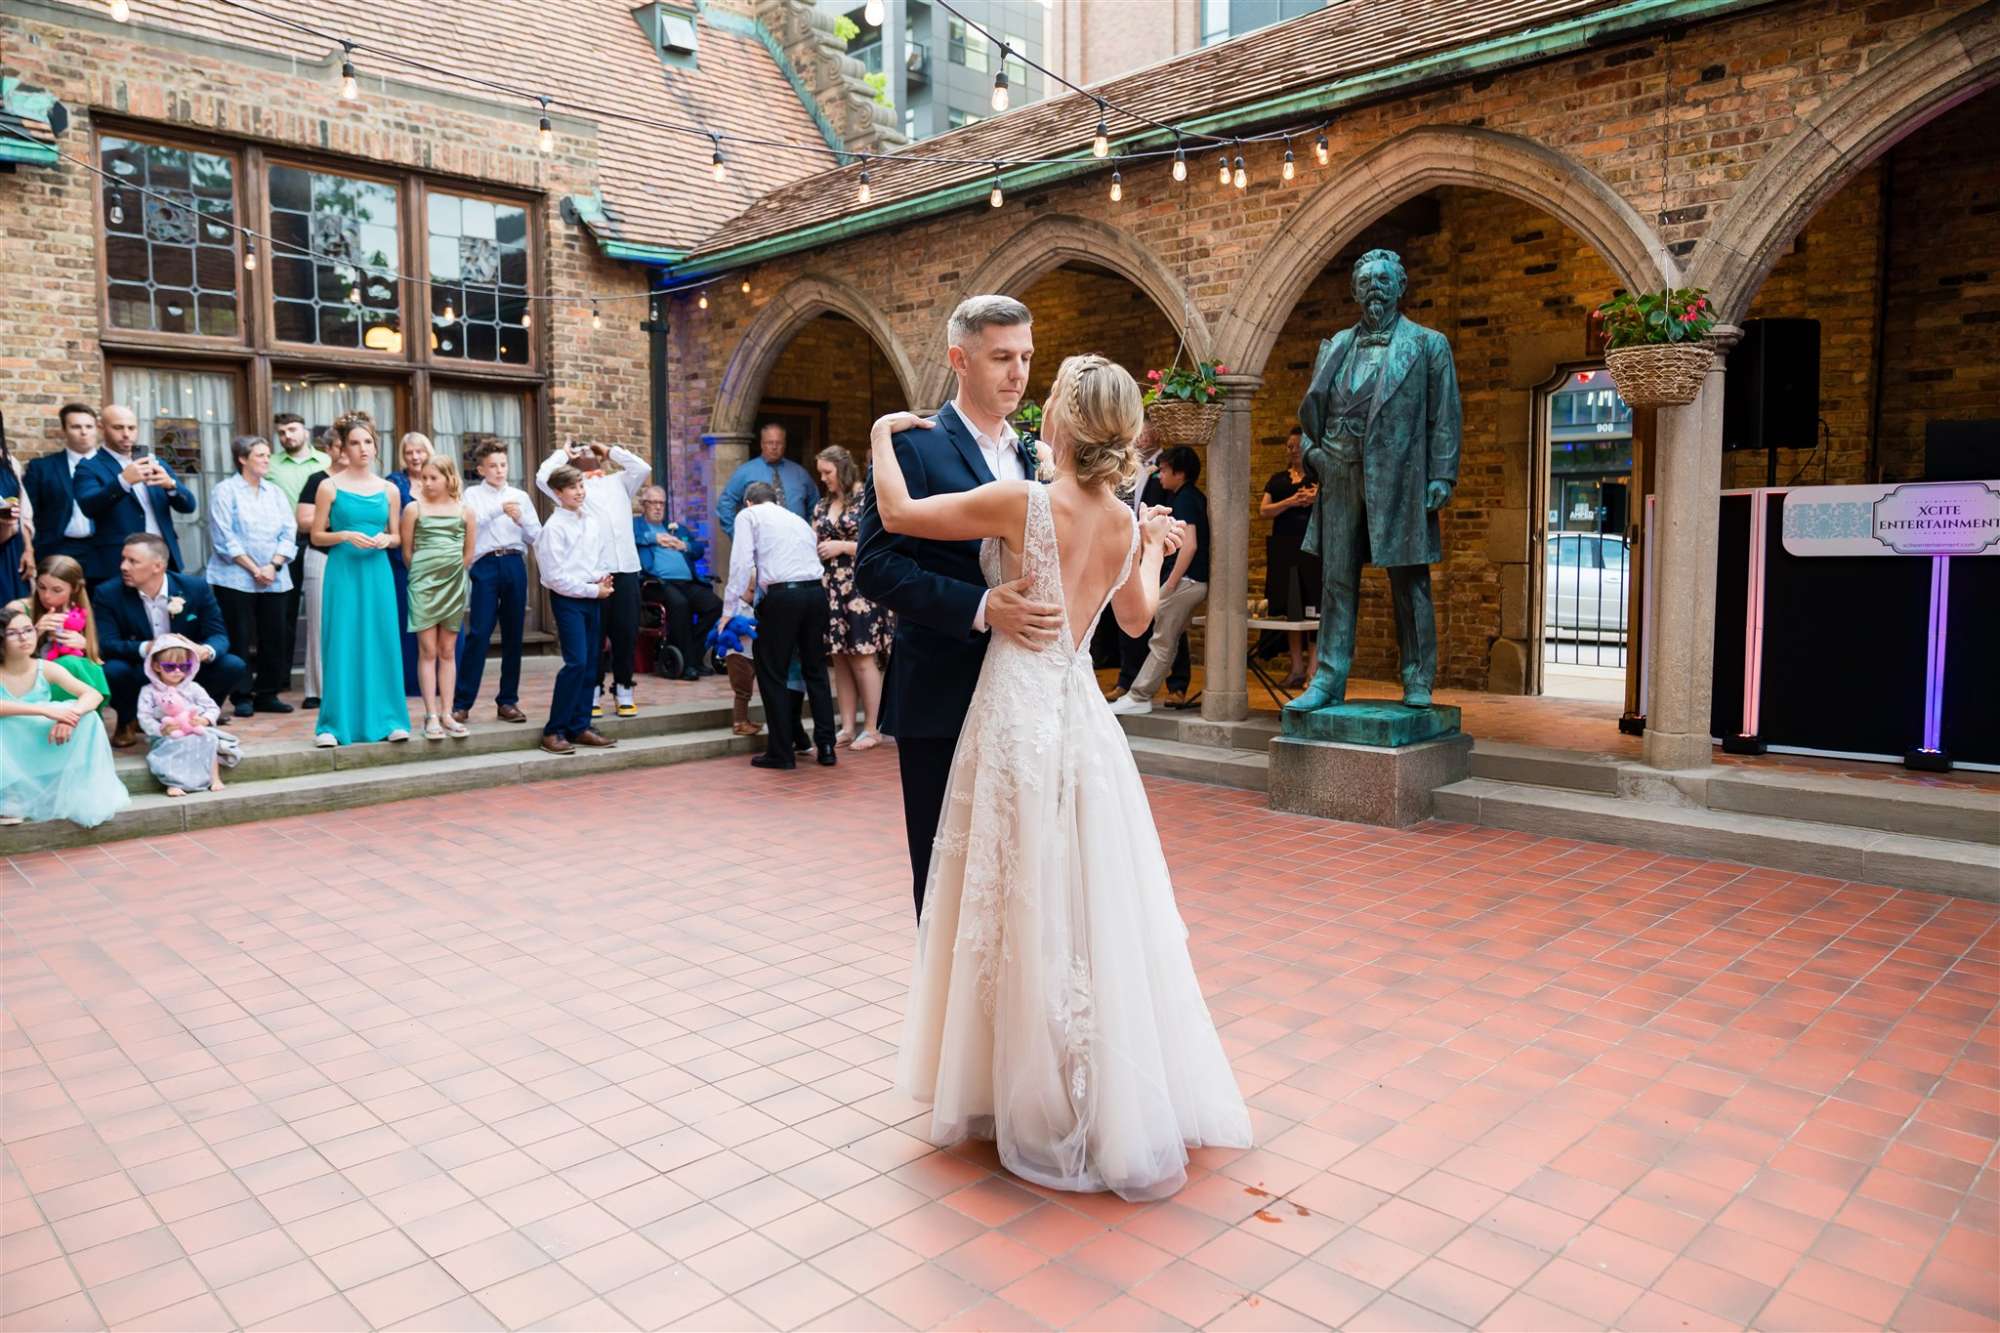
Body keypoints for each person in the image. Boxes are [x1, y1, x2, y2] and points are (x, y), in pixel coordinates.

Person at [870, 353, 1249, 1202]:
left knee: (1012, 893)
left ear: (1065, 424)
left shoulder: (1025, 503)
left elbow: (897, 511)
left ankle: (1012, 1086)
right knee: (1081, 896)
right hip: (1081, 717)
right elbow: (1137, 618)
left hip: (1013, 714)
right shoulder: (1122, 522)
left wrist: (877, 436)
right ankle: (1084, 1078)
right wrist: (1153, 548)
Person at [856, 294, 1064, 916]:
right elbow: (876, 566)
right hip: (941, 693)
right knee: (947, 875)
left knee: (1019, 869)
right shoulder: (914, 447)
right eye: (1001, 357)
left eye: (1025, 356)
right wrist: (980, 606)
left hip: (1023, 692)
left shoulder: (1032, 456)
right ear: (959, 360)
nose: (1019, 372)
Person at [310, 412, 410, 748]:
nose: (362, 448)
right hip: (343, 571)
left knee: (381, 640)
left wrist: (386, 540)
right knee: (341, 641)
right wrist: (344, 535)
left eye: (368, 442)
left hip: (377, 571)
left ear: (376, 447)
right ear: (342, 449)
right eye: (355, 443)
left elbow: (397, 537)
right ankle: (332, 725)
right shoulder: (329, 486)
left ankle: (391, 720)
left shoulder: (390, 490)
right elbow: (316, 536)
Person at [721, 481, 834, 770]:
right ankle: (826, 746)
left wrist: (729, 609)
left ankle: (781, 752)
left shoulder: (749, 516)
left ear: (748, 503)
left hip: (784, 597)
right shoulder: (795, 519)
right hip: (815, 593)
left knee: (772, 672)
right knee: (816, 670)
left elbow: (742, 564)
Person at [94, 533, 242, 748]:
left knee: (232, 665)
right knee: (113, 670)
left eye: (133, 561)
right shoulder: (108, 593)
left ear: (158, 566)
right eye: (123, 559)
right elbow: (106, 643)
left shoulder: (195, 588)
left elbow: (219, 634)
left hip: (184, 666)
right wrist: (148, 648)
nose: (123, 567)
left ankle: (200, 717)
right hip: (139, 666)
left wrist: (204, 651)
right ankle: (127, 719)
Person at [536, 440, 648, 719]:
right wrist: (563, 453)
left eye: (590, 452)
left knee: (626, 632)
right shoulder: (574, 492)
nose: (586, 454)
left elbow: (643, 467)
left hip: (627, 569)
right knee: (595, 638)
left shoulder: (619, 482)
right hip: (596, 575)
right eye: (581, 452)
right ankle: (593, 690)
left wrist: (610, 451)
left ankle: (624, 688)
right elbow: (542, 477)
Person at [0, 604, 129, 829]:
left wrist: (71, 716)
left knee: (89, 717)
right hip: (10, 741)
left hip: (41, 741)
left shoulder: (45, 668)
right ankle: (10, 795)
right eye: (12, 633)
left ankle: (71, 788)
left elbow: (93, 694)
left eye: (28, 630)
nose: (24, 638)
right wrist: (43, 709)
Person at [1111, 446, 1209, 717]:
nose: (1160, 476)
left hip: (1187, 580)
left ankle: (1140, 695)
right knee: (1168, 637)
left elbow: (1189, 546)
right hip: (1188, 580)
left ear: (1180, 472)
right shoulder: (1189, 496)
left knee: (1161, 640)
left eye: (1164, 470)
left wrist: (1170, 584)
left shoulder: (1186, 498)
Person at [204, 435, 297, 718]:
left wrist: (273, 565)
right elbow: (224, 537)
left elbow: (288, 530)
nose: (267, 460)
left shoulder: (276, 493)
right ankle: (242, 694)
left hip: (275, 576)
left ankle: (268, 693)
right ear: (243, 459)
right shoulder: (225, 491)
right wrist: (254, 569)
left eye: (268, 455)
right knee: (239, 637)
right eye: (260, 455)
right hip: (234, 578)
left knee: (275, 635)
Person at [453, 440, 540, 725]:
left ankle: (508, 701)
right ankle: (462, 703)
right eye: (493, 466)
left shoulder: (520, 495)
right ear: (481, 469)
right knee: (479, 633)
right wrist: (499, 511)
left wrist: (520, 520)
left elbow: (535, 535)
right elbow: (468, 525)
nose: (499, 470)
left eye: (503, 464)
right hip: (486, 565)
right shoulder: (472, 495)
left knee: (514, 635)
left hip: (514, 562)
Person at [534, 463, 618, 756]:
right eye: (573, 487)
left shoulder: (590, 522)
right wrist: (592, 589)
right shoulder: (553, 529)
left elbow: (596, 558)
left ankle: (579, 726)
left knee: (593, 662)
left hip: (593, 596)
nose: (580, 492)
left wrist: (601, 578)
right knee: (576, 663)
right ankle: (553, 730)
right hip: (568, 600)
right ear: (558, 493)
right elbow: (555, 577)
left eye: (581, 486)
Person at [812, 445, 892, 750]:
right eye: (820, 473)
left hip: (860, 588)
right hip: (831, 587)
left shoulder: (865, 499)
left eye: (827, 472)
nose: (823, 478)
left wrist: (843, 547)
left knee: (862, 657)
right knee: (840, 658)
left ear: (842, 469)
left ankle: (873, 727)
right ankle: (846, 725)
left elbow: (881, 543)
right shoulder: (822, 505)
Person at [78, 404, 198, 580]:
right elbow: (89, 506)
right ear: (101, 428)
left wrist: (171, 485)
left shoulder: (156, 463)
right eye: (118, 427)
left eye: (131, 428)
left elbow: (189, 506)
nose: (126, 434)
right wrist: (123, 481)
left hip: (163, 558)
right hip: (118, 562)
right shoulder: (89, 467)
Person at [402, 456, 474, 741]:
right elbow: (407, 552)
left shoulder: (465, 511)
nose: (427, 483)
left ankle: (447, 712)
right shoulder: (413, 509)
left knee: (448, 650)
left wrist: (452, 574)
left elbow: (468, 553)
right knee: (427, 651)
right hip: (422, 585)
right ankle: (430, 714)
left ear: (448, 478)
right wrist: (423, 574)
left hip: (454, 585)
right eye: (424, 477)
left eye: (434, 477)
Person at [268, 411, 329, 693]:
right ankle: (280, 678)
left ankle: (322, 678)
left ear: (305, 431)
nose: (287, 436)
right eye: (281, 432)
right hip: (285, 545)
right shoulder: (269, 465)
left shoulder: (327, 463)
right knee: (284, 611)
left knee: (324, 610)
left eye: (292, 429)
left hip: (322, 542)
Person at [633, 485, 718, 683]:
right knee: (680, 605)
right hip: (657, 583)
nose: (657, 507)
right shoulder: (636, 525)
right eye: (653, 503)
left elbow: (698, 549)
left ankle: (692, 654)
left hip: (688, 583)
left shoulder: (676, 528)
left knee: (715, 606)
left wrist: (684, 545)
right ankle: (688, 665)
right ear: (643, 505)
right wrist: (654, 538)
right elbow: (627, 539)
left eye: (661, 503)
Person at [136, 634, 236, 797]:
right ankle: (173, 782)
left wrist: (204, 719)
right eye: (170, 666)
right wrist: (161, 729)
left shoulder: (193, 687)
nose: (177, 671)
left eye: (184, 667)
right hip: (167, 735)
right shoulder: (149, 692)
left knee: (209, 739)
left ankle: (214, 777)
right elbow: (144, 717)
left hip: (193, 729)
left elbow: (211, 707)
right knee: (174, 743)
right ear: (156, 666)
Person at [1261, 425, 1322, 689]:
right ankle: (1296, 666)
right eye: (1289, 446)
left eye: (1297, 446)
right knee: (1290, 610)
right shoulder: (1278, 480)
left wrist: (1315, 499)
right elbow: (1264, 510)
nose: (1293, 451)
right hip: (1283, 551)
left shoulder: (1318, 478)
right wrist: (1290, 502)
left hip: (1313, 550)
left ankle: (1313, 670)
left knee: (1314, 610)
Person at [21, 404, 104, 580]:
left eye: (89, 426)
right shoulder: (42, 468)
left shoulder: (111, 467)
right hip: (57, 548)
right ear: (63, 430)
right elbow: (28, 513)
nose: (84, 432)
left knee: (101, 604)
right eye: (76, 426)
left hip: (102, 548)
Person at [17, 555, 111, 708]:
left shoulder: (80, 613)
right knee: (70, 663)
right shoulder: (20, 609)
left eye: (57, 590)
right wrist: (35, 633)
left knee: (84, 664)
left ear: (74, 589)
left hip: (70, 683)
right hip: (30, 680)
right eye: (41, 587)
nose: (46, 595)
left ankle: (84, 713)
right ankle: (89, 715)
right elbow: (6, 657)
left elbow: (95, 660)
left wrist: (86, 647)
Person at [292, 429, 341, 710]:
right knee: (320, 623)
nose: (348, 452)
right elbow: (304, 521)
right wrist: (341, 519)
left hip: (356, 559)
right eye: (341, 446)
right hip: (322, 556)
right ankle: (317, 689)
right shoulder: (317, 480)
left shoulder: (367, 484)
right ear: (330, 450)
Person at [385, 433, 432, 696]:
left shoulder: (439, 479)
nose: (415, 457)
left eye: (420, 452)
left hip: (437, 564)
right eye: (409, 453)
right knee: (407, 621)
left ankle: (440, 680)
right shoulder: (394, 483)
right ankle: (409, 682)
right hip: (404, 564)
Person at [716, 423, 816, 536]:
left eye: (779, 443)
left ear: (785, 444)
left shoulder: (800, 473)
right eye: (770, 442)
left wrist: (809, 534)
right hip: (760, 542)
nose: (774, 447)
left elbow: (815, 505)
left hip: (796, 541)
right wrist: (738, 535)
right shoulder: (745, 472)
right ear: (762, 444)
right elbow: (725, 504)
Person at [0, 412, 35, 606]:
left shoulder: (10, 462)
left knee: (17, 613)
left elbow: (24, 513)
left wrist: (28, 550)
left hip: (13, 551)